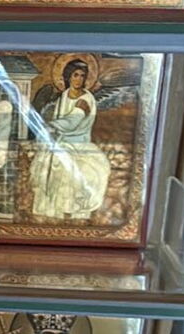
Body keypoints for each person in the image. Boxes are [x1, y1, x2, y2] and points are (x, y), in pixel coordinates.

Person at [29, 59, 110, 221]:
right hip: (60, 141)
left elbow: (73, 121)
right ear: (68, 76)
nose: (79, 79)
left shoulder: (85, 99)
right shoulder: (64, 96)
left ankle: (73, 216)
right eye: (75, 75)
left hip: (78, 144)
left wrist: (50, 125)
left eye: (82, 75)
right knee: (45, 168)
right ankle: (51, 215)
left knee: (69, 170)